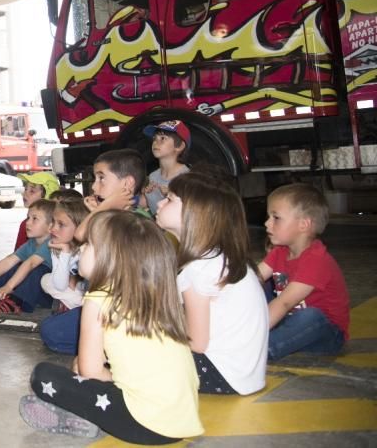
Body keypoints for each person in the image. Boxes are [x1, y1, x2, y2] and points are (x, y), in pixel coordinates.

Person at [21, 211, 203, 443]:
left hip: (144, 426)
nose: (81, 249)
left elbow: (90, 371)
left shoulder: (98, 300)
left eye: (88, 245)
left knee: (44, 375)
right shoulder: (152, 296)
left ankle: (84, 417)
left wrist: (105, 376)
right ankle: (94, 415)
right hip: (181, 421)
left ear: (109, 258)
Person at [156, 173, 267, 394]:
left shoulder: (198, 269)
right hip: (242, 376)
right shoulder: (219, 258)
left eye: (169, 199)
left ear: (196, 215)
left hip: (220, 374)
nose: (159, 203)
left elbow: (197, 343)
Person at [257, 184, 349, 360]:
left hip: (324, 334)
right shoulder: (280, 252)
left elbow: (284, 303)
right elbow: (252, 278)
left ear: (304, 225)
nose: (267, 223)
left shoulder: (317, 260)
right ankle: (256, 338)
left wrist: (250, 334)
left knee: (311, 316)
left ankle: (259, 350)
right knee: (256, 286)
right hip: (288, 321)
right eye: (269, 217)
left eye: (276, 217)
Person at [38, 199, 90, 354]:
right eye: (53, 222)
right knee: (46, 279)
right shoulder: (60, 246)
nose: (53, 228)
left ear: (80, 227)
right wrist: (64, 253)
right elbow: (59, 284)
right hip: (76, 296)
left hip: (92, 302)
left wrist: (66, 254)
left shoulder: (87, 250)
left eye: (61, 224)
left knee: (49, 330)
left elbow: (64, 286)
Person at [143, 120, 191, 215]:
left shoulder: (186, 178)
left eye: (163, 138)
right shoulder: (153, 177)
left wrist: (172, 198)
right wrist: (146, 196)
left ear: (180, 146)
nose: (156, 142)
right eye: (154, 138)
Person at [85, 149, 149, 218]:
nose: (93, 186)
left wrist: (96, 213)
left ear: (127, 183)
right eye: (95, 179)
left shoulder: (137, 221)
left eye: (101, 178)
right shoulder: (113, 217)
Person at [13, 171, 60, 250]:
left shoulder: (26, 224)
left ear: (46, 197)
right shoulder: (25, 224)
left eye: (32, 191)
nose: (24, 193)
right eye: (26, 189)